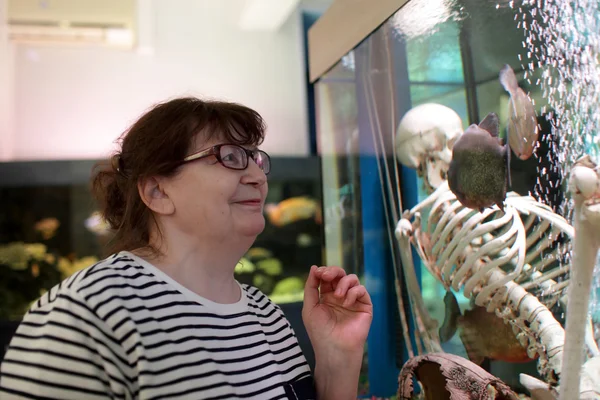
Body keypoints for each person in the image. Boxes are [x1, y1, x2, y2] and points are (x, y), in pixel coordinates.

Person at [0, 97, 373, 399]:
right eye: (229, 156)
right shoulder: (85, 314)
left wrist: (338, 356)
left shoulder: (267, 315)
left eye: (257, 159)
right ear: (157, 192)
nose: (259, 177)